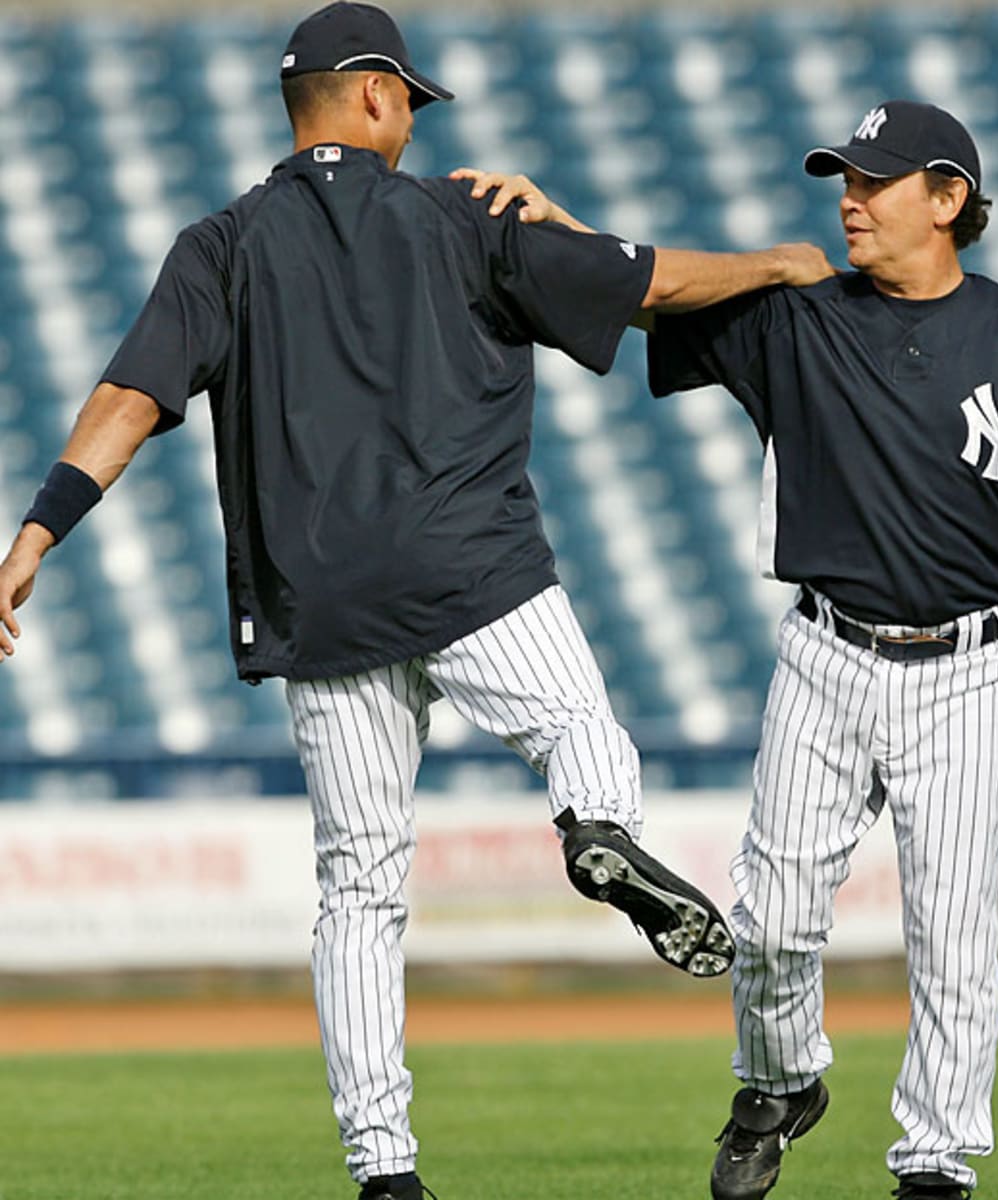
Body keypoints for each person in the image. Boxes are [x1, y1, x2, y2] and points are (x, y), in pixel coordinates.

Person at [0, 5, 838, 1199]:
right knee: (580, 734)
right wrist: (779, 262)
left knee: (359, 889)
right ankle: (595, 827)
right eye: (413, 100)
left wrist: (35, 533)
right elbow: (650, 285)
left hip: (322, 606)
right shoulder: (466, 216)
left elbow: (130, 399)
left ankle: (384, 1173)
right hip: (472, 572)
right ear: (380, 95)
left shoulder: (221, 245)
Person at [477, 99, 998, 1200]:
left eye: (875, 180)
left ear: (948, 199)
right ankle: (779, 1082)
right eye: (845, 179)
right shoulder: (797, 315)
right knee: (769, 918)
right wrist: (562, 226)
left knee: (954, 939)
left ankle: (935, 1162)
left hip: (969, 668)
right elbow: (647, 297)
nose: (850, 199)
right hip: (826, 655)